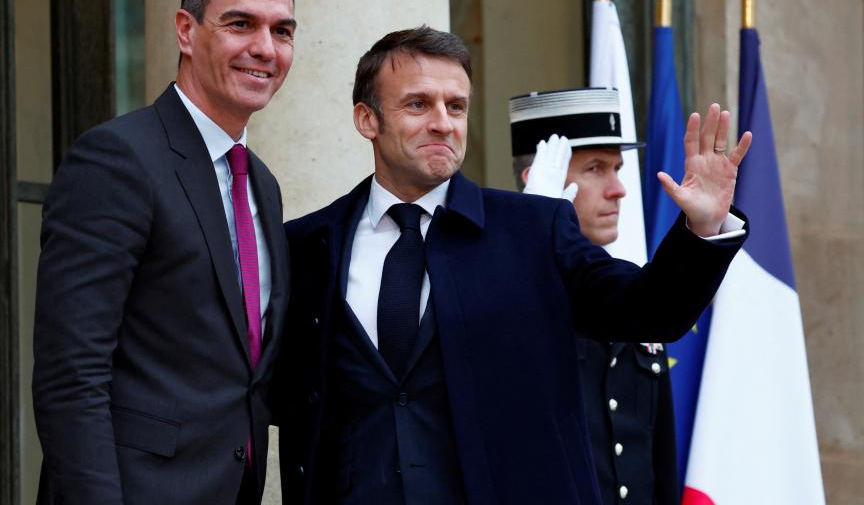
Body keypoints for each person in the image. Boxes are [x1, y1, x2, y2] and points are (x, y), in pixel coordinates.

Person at [277, 26, 751, 505]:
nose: (443, 122)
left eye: (456, 106)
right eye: (418, 105)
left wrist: (702, 229)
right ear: (367, 119)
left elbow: (649, 311)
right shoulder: (309, 243)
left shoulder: (532, 229)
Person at [32, 0, 295, 505]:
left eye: (282, 30)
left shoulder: (262, 186)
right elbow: (71, 377)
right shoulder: (116, 159)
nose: (264, 48)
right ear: (185, 30)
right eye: (240, 24)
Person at [510, 87, 682, 505]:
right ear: (540, 178)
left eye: (618, 168)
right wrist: (534, 235)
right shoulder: (505, 291)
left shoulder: (626, 291)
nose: (619, 189)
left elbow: (658, 461)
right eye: (595, 168)